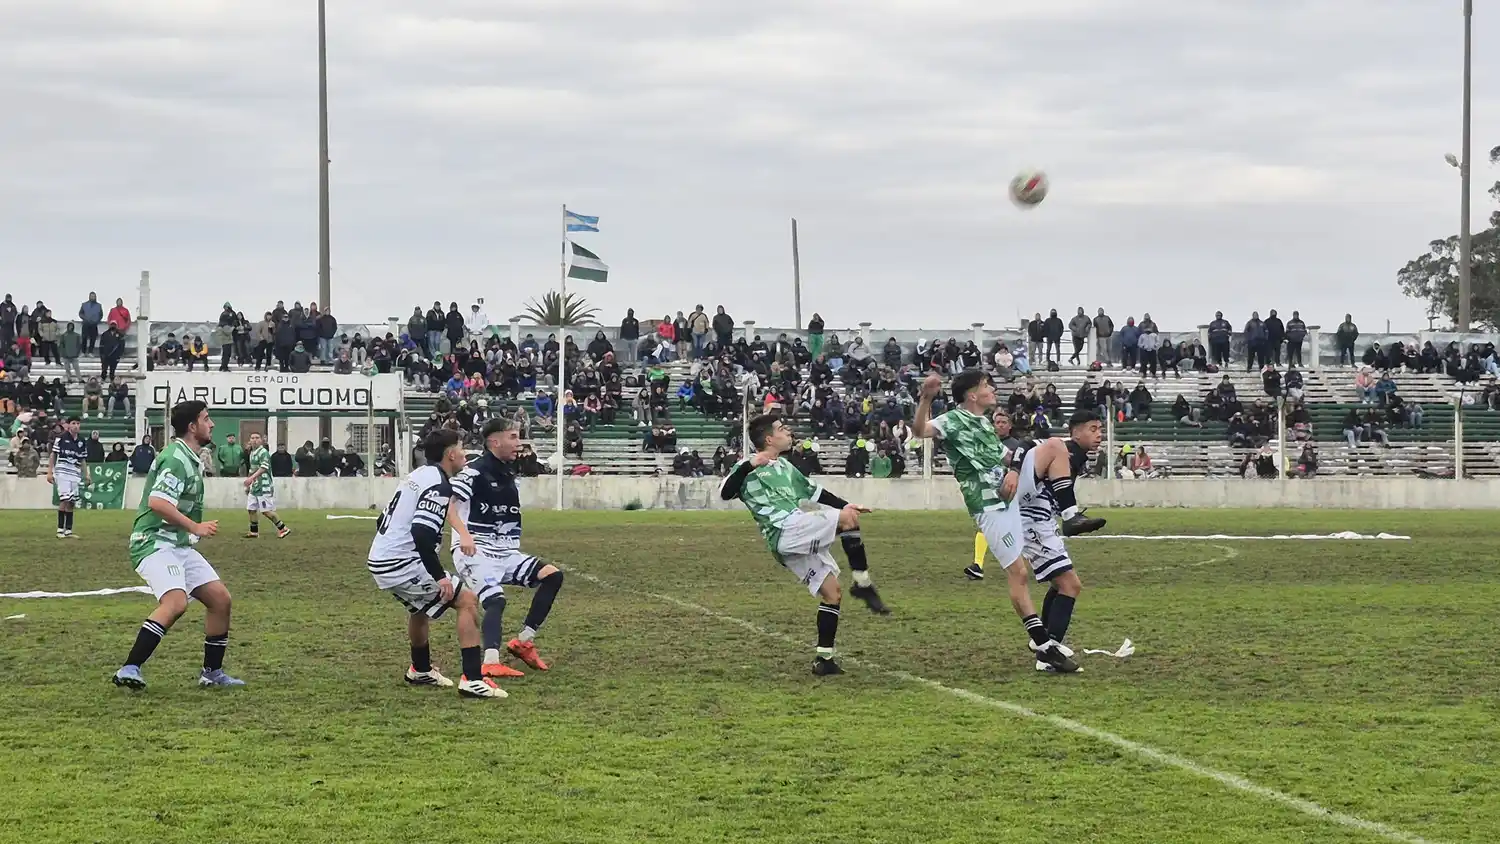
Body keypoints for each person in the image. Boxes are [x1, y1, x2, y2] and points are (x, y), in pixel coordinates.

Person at [910, 370, 1083, 673]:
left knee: (1055, 446)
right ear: (973, 395)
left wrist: (1016, 469)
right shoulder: (953, 419)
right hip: (988, 503)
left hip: (1008, 490)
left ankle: (1069, 513)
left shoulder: (984, 424)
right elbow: (919, 430)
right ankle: (1044, 646)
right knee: (1018, 573)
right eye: (986, 386)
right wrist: (926, 398)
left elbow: (1008, 457)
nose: (992, 389)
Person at [718, 413, 890, 676]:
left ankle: (824, 660)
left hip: (791, 536)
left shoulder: (786, 467)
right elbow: (725, 493)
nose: (788, 431)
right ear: (768, 438)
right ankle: (864, 584)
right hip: (784, 528)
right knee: (847, 521)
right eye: (782, 428)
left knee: (832, 592)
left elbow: (815, 492)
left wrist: (846, 505)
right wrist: (749, 465)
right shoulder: (746, 466)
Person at [112, 401, 244, 689]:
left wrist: (189, 532)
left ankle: (212, 674)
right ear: (192, 426)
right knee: (176, 602)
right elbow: (157, 502)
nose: (212, 424)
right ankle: (129, 668)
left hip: (178, 544)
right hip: (153, 542)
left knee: (220, 600)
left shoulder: (190, 457)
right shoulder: (176, 458)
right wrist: (195, 526)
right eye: (206, 419)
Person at [366, 429, 506, 699]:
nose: (465, 453)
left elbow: (383, 519)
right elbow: (421, 532)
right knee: (466, 599)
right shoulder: (440, 485)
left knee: (420, 609)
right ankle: (473, 679)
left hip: (382, 557)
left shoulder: (417, 476)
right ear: (451, 454)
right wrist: (439, 575)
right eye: (461, 448)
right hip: (399, 562)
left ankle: (420, 670)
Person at [446, 418, 563, 679]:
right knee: (495, 600)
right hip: (476, 551)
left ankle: (524, 641)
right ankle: (489, 661)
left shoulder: (508, 470)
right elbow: (448, 503)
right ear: (494, 442)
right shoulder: (473, 471)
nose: (518, 442)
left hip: (506, 552)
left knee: (553, 575)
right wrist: (464, 535)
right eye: (512, 437)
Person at [1006, 411, 1104, 671]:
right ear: (1075, 432)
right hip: (1030, 517)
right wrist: (1015, 469)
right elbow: (1026, 443)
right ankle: (1048, 652)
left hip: (1042, 518)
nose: (1099, 435)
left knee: (1060, 583)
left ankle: (1044, 642)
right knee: (1070, 585)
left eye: (1100, 430)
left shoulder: (1076, 458)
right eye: (1093, 429)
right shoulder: (1062, 447)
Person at [966, 409, 1022, 581]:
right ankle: (978, 565)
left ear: (1010, 426)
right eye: (997, 422)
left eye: (1003, 422)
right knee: (985, 527)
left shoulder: (1016, 446)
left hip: (1012, 494)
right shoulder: (986, 443)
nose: (999, 425)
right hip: (991, 493)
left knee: (1020, 529)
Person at [48, 415, 90, 538]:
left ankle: (69, 530)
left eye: (78, 423)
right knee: (64, 499)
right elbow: (53, 455)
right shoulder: (60, 438)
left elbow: (82, 459)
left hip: (75, 473)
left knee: (72, 502)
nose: (76, 426)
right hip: (62, 472)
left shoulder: (82, 441)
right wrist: (50, 471)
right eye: (73, 423)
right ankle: (60, 529)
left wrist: (86, 474)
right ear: (68, 425)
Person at [242, 433, 290, 539]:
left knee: (266, 511)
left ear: (261, 441)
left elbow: (264, 467)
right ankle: (254, 532)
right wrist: (249, 484)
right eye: (252, 438)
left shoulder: (264, 452)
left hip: (263, 486)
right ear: (250, 440)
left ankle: (283, 528)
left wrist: (251, 478)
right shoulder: (252, 453)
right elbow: (252, 469)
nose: (254, 440)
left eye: (257, 438)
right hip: (255, 486)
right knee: (251, 508)